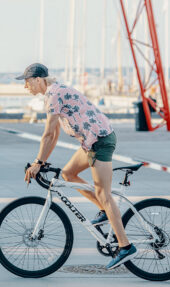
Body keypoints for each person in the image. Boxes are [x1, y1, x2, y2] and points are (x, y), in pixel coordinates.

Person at [18, 63, 138, 270]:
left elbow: (48, 134)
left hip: (100, 140)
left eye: (27, 82)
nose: (25, 86)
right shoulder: (53, 93)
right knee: (68, 173)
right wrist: (42, 161)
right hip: (90, 141)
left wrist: (38, 163)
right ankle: (103, 211)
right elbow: (53, 135)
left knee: (104, 193)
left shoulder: (53, 94)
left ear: (38, 80)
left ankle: (125, 246)